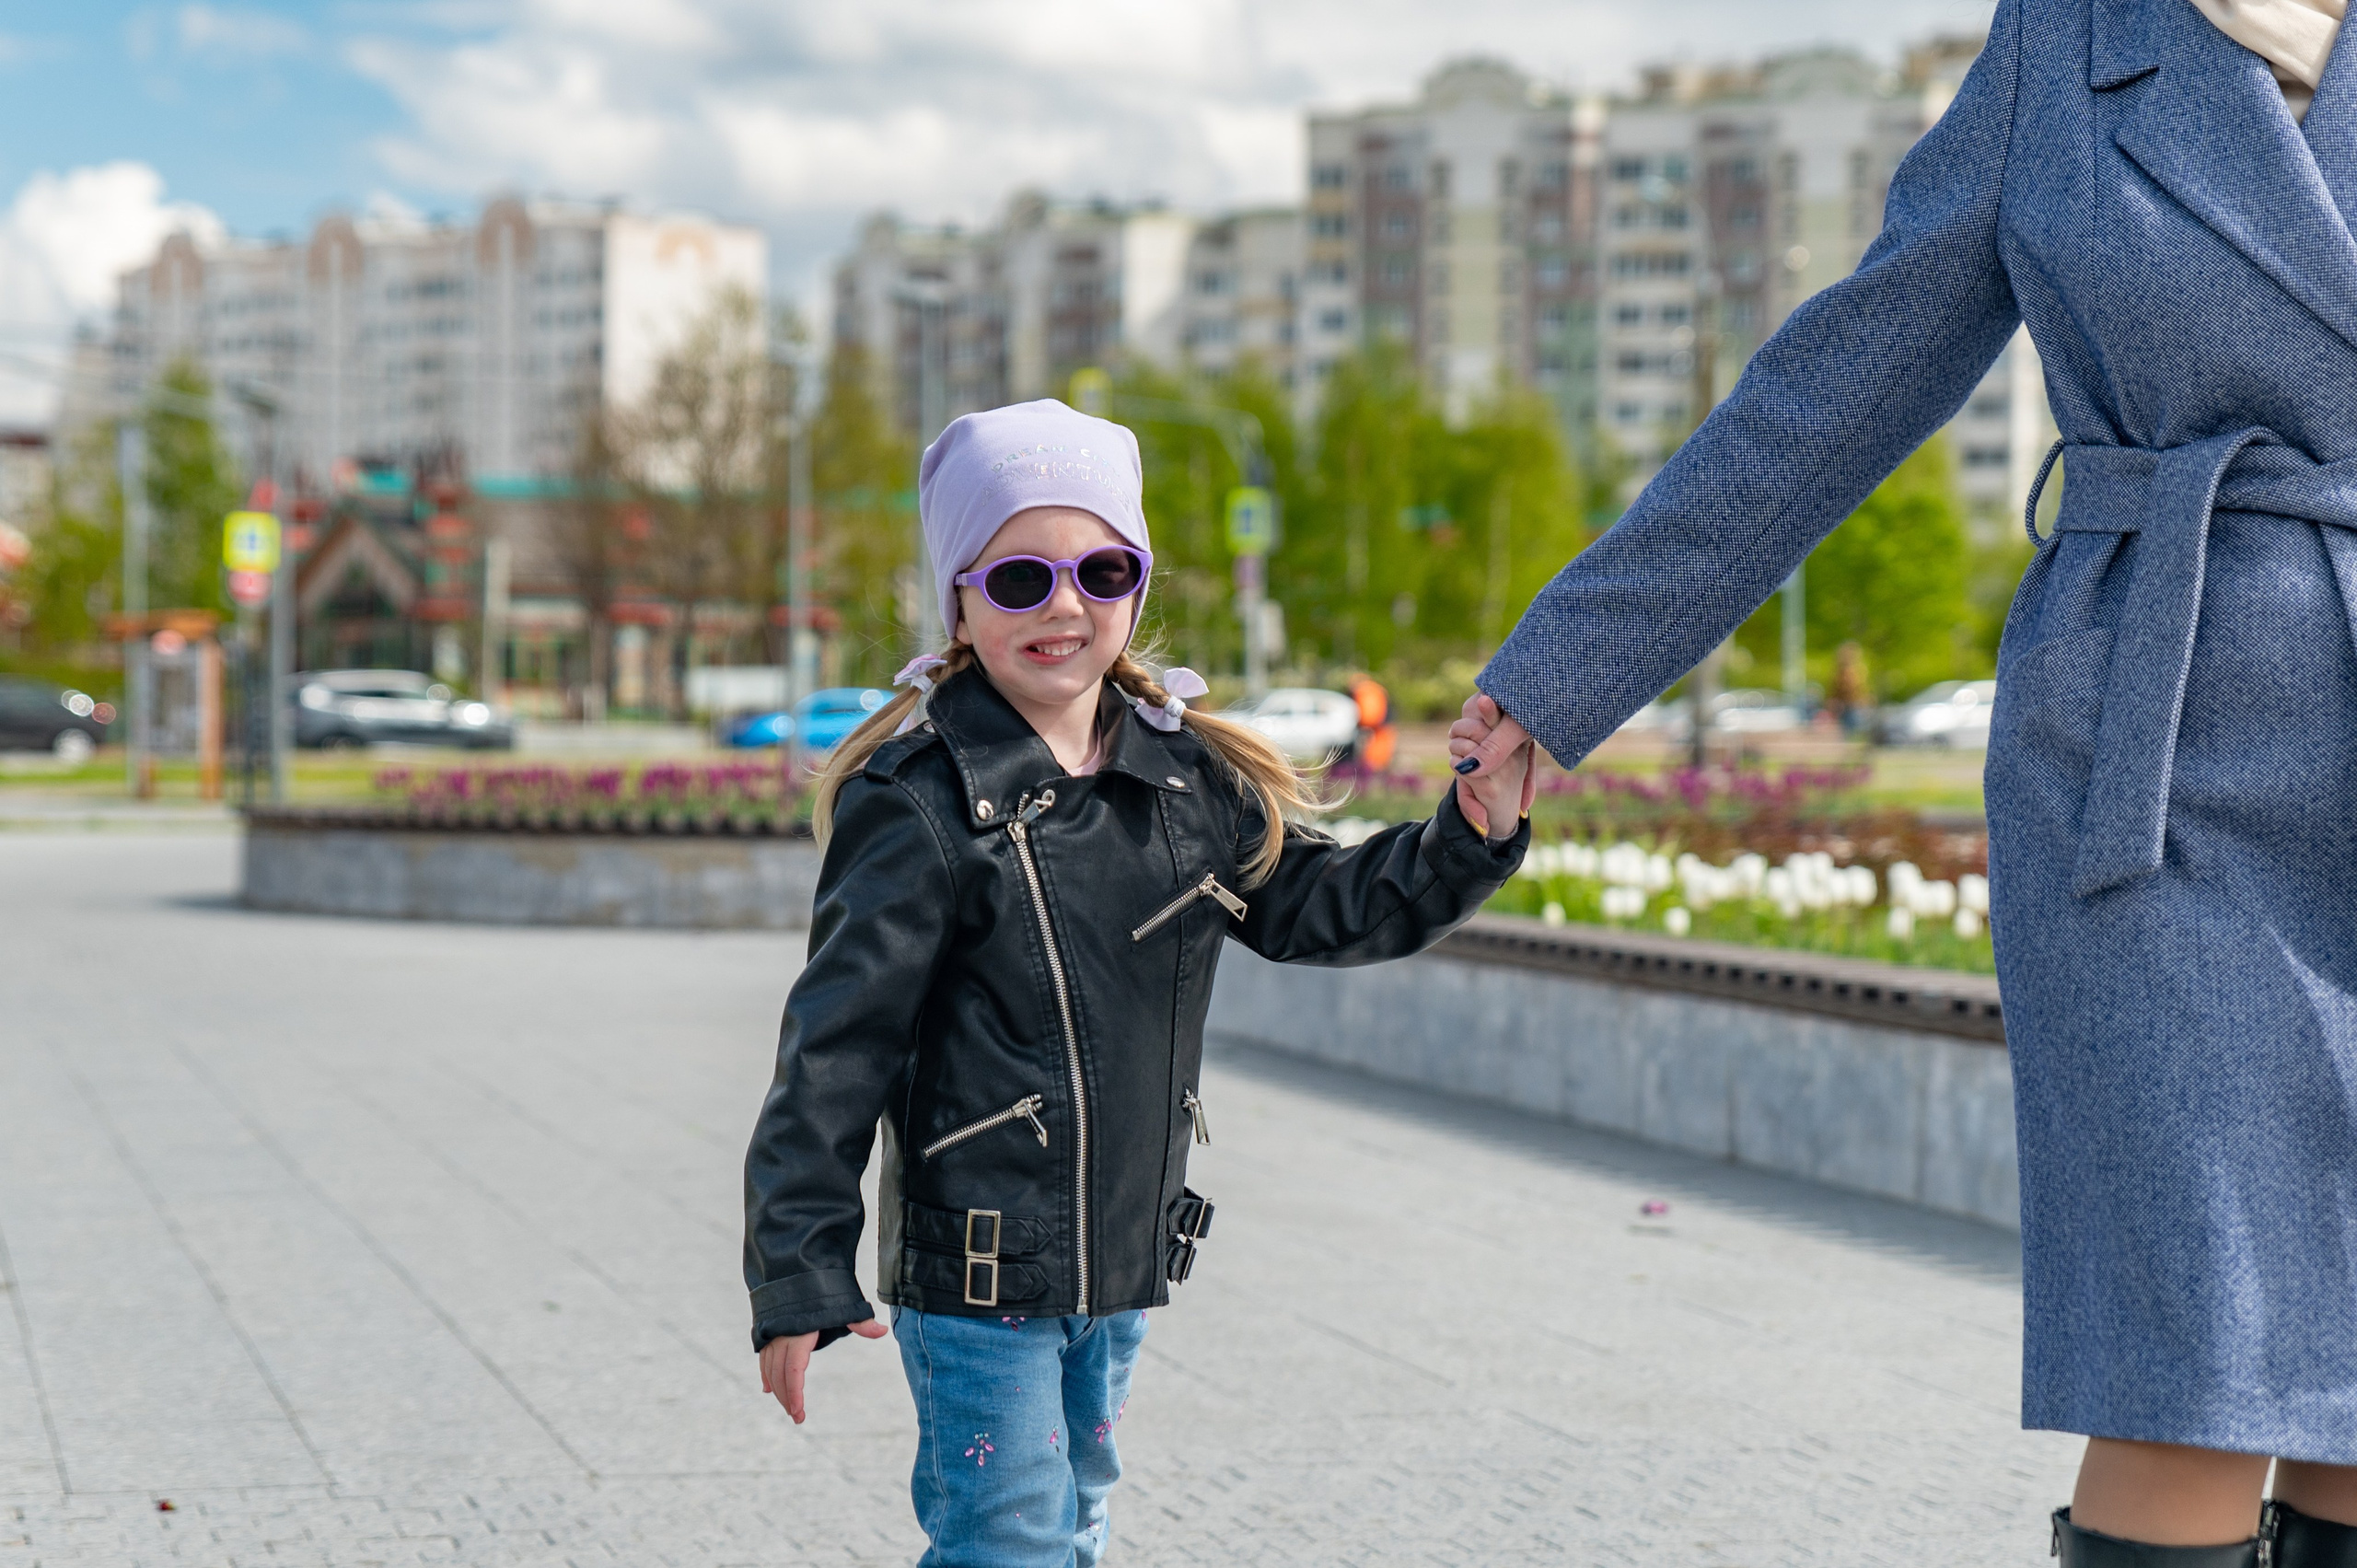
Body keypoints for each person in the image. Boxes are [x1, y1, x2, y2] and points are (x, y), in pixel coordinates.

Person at [1452, 1, 2357, 1561]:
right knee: (2190, 1355)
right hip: (2156, 767)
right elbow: (1847, 375)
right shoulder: (2071, 42)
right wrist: (1574, 665)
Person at [745, 399, 1532, 1568]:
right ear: (958, 598)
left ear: (1138, 584)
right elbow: (834, 1047)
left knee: (1076, 1525)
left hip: (1119, 1253)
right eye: (1019, 579)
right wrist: (800, 1264)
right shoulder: (918, 799)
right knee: (1008, 1537)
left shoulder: (1185, 777)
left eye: (1100, 569)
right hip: (979, 1269)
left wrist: (1473, 824)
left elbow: (1318, 905)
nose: (1064, 606)